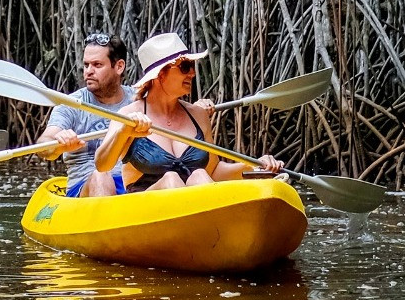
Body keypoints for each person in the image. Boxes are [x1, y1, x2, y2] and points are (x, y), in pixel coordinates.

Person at [85, 33, 283, 195]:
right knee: (171, 179)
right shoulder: (129, 114)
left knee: (198, 175)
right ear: (160, 74)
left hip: (194, 208)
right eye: (185, 67)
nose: (192, 74)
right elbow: (103, 165)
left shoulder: (198, 115)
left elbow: (213, 171)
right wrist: (124, 132)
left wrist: (254, 167)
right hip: (145, 211)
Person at [42, 33, 136, 197]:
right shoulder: (72, 104)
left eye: (97, 65)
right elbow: (44, 146)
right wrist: (58, 144)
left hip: (131, 186)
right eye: (86, 65)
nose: (88, 72)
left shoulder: (137, 99)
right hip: (86, 187)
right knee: (101, 175)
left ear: (119, 66)